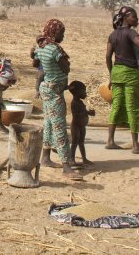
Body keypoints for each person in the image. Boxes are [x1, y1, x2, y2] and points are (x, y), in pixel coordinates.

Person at [34, 19, 82, 180]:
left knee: (48, 122)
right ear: (54, 33)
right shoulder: (54, 49)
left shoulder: (41, 47)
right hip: (54, 91)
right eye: (62, 33)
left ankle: (45, 158)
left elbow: (35, 63)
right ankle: (66, 166)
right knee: (59, 126)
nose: (63, 36)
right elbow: (66, 67)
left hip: (46, 88)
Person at [105, 5, 139, 153]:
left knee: (117, 105)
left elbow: (107, 57)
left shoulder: (113, 35)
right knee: (134, 106)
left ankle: (110, 141)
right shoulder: (131, 33)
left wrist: (111, 75)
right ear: (126, 18)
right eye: (134, 17)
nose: (136, 19)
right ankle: (136, 146)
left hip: (117, 73)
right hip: (130, 74)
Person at [68, 80, 95, 166]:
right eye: (83, 91)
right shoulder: (74, 103)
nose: (85, 93)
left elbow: (82, 112)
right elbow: (76, 115)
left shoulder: (80, 102)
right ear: (77, 92)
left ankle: (84, 159)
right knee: (75, 143)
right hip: (76, 126)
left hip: (81, 126)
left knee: (81, 142)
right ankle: (71, 159)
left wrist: (89, 113)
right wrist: (85, 112)